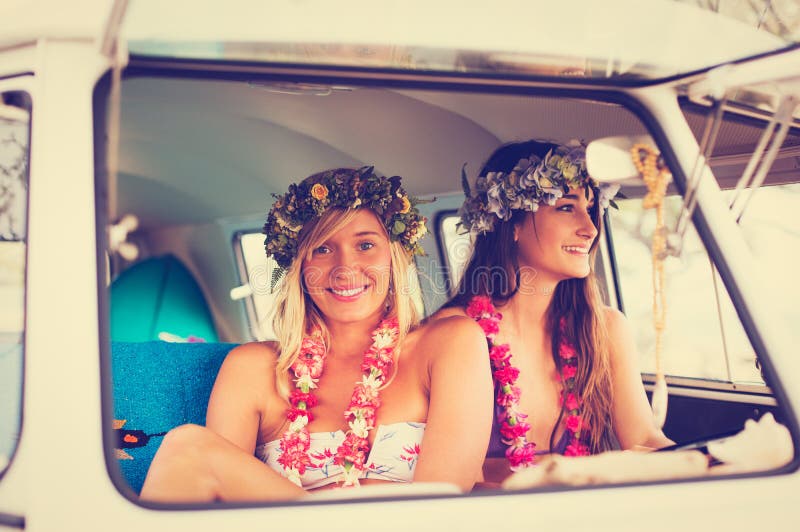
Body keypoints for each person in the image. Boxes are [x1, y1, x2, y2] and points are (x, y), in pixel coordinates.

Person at [139, 167, 493, 502]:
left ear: (394, 256)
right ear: (300, 267)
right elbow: (220, 505)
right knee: (187, 449)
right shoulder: (253, 368)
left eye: (365, 245)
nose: (344, 269)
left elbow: (444, 501)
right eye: (322, 249)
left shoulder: (451, 343)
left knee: (189, 447)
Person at [432, 140, 673, 485]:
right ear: (510, 223)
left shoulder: (606, 328)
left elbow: (645, 441)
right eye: (565, 208)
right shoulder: (452, 336)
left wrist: (713, 467)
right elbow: (450, 486)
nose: (589, 229)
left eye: (591, 209)